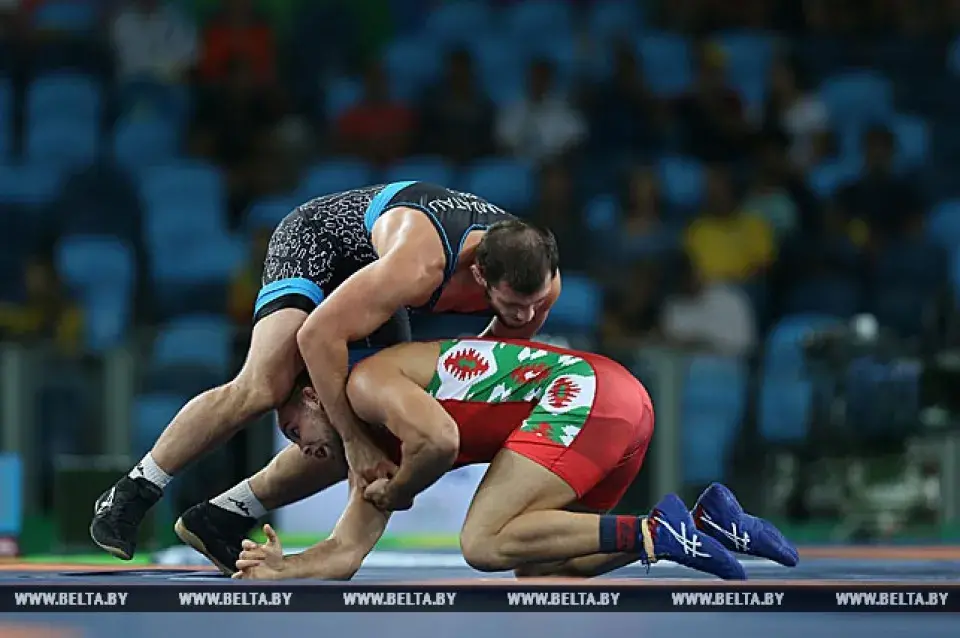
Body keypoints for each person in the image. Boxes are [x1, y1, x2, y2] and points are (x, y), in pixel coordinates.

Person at [90, 182, 563, 561]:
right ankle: (131, 493)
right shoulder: (418, 266)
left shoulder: (540, 282)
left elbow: (490, 361)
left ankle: (224, 515)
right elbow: (316, 337)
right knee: (263, 386)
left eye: (533, 304)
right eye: (510, 305)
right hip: (320, 242)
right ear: (480, 276)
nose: (524, 315)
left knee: (382, 428)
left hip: (374, 271)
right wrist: (353, 441)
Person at [175, 338, 797, 580]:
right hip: (612, 399)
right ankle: (704, 519)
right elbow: (344, 553)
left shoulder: (366, 387)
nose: (300, 447)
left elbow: (440, 441)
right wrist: (283, 569)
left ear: (315, 395)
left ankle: (656, 532)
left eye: (293, 426)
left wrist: (399, 489)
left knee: (484, 543)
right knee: (544, 567)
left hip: (583, 398)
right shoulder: (371, 443)